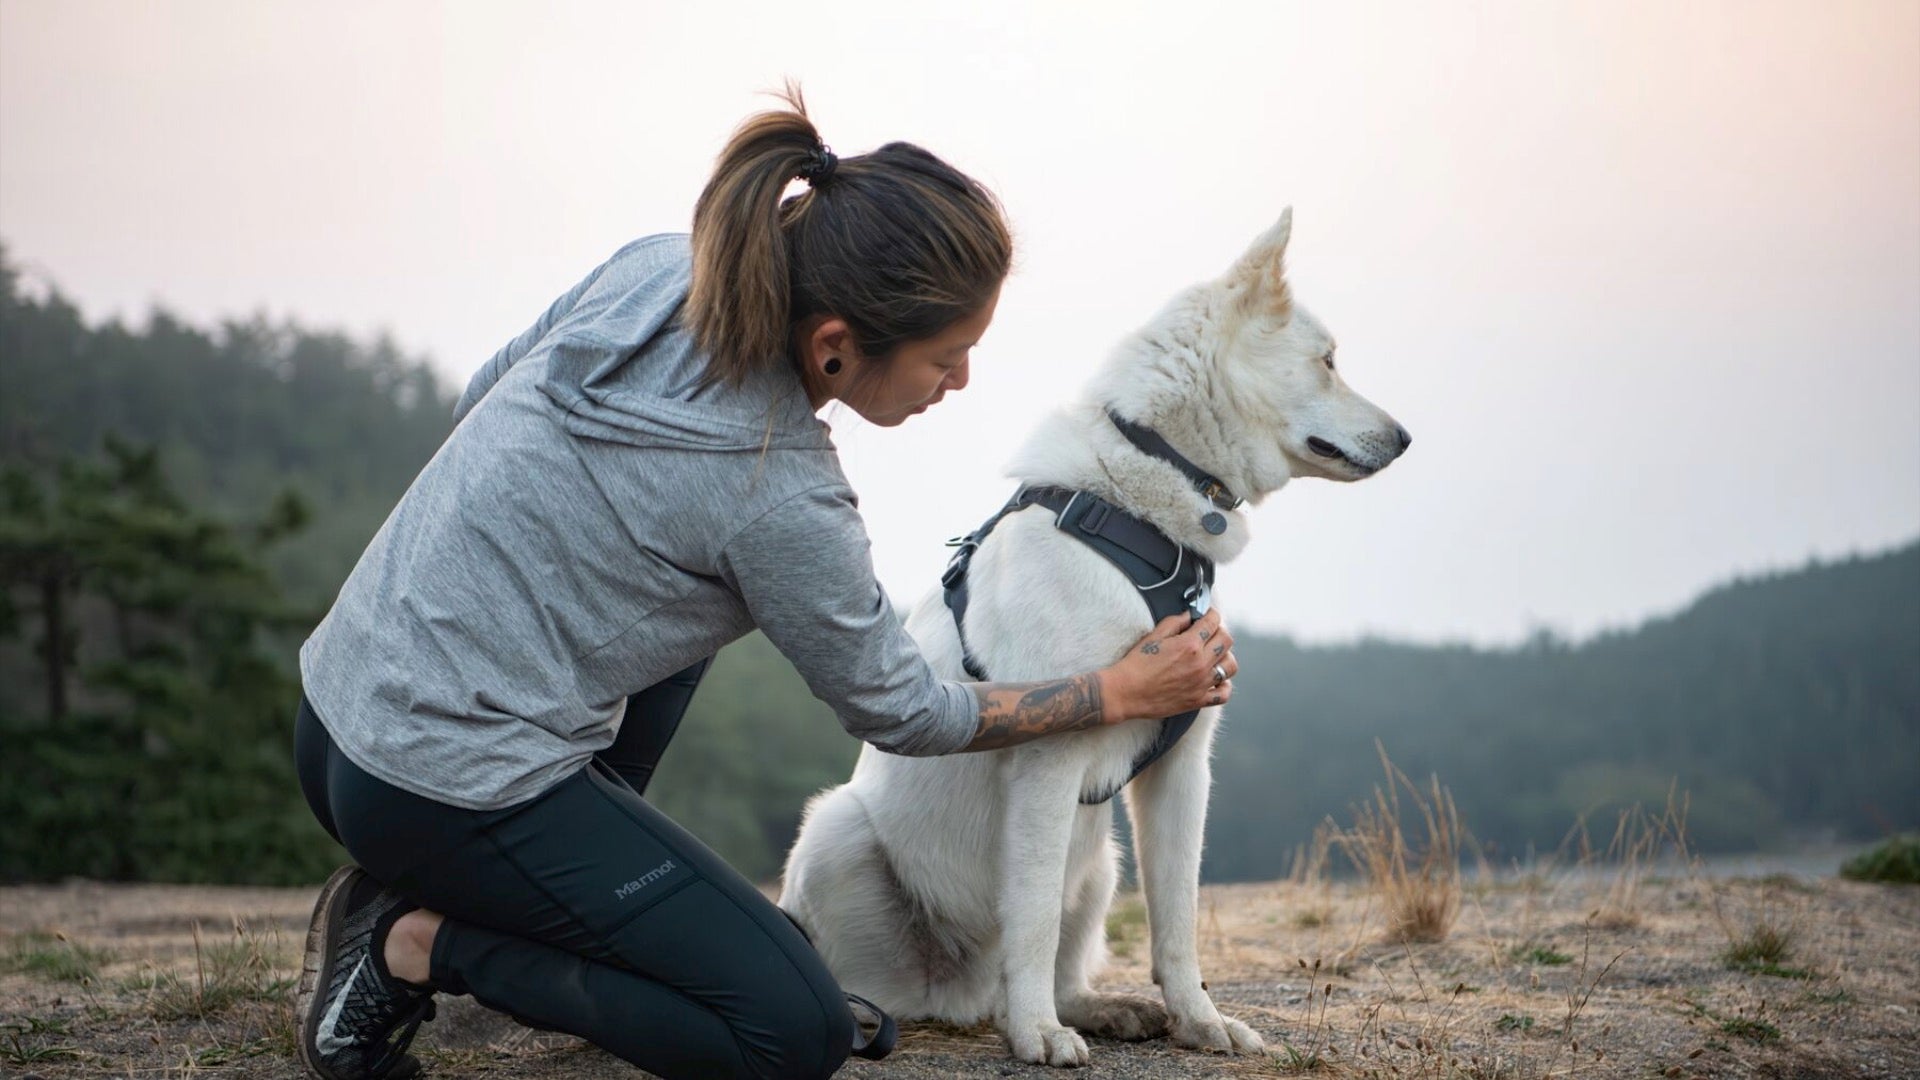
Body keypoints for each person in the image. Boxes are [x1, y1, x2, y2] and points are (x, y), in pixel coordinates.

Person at [291, 87, 1239, 1080]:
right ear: (835, 344)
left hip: (334, 713)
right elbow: (902, 710)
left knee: (694, 607)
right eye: (946, 357)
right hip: (439, 789)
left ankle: (532, 891)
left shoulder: (657, 268)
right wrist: (1113, 693)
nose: (956, 383)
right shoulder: (779, 491)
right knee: (791, 1030)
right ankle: (409, 943)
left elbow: (479, 394)